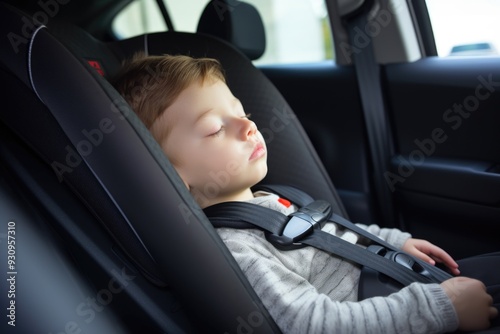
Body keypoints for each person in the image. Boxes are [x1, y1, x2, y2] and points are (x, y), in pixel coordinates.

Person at [112, 53, 499, 334]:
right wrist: (439, 309)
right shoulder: (237, 251)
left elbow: (334, 235)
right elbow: (315, 324)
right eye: (215, 128)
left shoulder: (268, 200)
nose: (247, 125)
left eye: (241, 111)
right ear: (170, 173)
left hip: (391, 282)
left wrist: (392, 241)